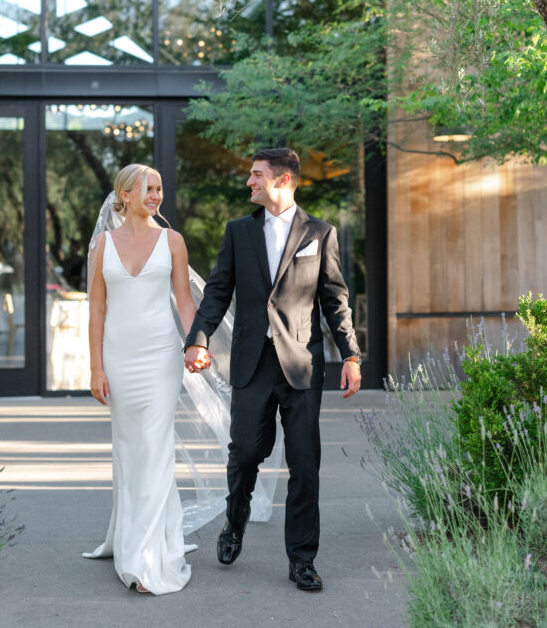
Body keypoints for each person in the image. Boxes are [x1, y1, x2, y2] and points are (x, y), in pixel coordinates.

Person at [185, 147, 362, 592]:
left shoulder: (320, 233)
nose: (249, 182)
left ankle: (302, 560)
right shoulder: (238, 232)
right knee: (245, 452)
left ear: (282, 181)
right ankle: (235, 520)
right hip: (251, 363)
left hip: (301, 364)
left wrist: (352, 355)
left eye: (256, 175)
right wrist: (198, 338)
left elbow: (335, 301)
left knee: (304, 464)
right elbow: (218, 291)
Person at [83, 164, 200, 595]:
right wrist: (95, 366)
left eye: (160, 189)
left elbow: (184, 301)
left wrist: (196, 343)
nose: (156, 195)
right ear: (125, 194)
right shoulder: (101, 244)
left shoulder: (173, 242)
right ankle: (141, 532)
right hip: (118, 357)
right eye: (148, 189)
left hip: (160, 357)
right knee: (130, 448)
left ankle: (144, 560)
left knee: (155, 446)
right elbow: (96, 309)